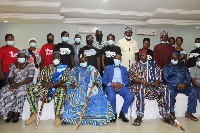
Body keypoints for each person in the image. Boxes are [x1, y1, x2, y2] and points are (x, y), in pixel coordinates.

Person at [61, 54, 114, 125]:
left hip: (91, 87)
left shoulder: (93, 69)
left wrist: (95, 83)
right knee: (72, 96)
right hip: (78, 87)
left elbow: (99, 80)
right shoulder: (75, 70)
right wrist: (72, 84)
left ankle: (99, 117)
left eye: (85, 60)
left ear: (87, 60)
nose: (83, 62)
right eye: (81, 61)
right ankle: (69, 118)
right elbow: (70, 80)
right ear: (79, 62)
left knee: (99, 97)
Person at [129, 49, 174, 126]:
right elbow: (132, 79)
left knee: (165, 88)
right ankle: (139, 116)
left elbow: (159, 74)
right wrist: (142, 82)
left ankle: (166, 115)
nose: (144, 57)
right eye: (142, 55)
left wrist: (157, 82)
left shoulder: (153, 65)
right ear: (139, 57)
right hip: (140, 86)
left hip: (152, 87)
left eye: (146, 55)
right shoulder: (134, 65)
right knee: (141, 88)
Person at [25, 51, 70, 127]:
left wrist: (53, 84)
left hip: (57, 87)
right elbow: (42, 80)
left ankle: (57, 116)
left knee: (61, 90)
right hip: (47, 87)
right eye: (54, 57)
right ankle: (34, 113)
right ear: (52, 58)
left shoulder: (65, 68)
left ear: (60, 58)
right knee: (31, 89)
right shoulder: (46, 68)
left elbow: (63, 80)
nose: (55, 59)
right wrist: (45, 84)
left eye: (57, 57)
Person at [0, 49, 35, 123]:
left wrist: (17, 85)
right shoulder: (13, 65)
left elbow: (30, 78)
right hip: (14, 83)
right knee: (5, 90)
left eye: (22, 56)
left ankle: (17, 112)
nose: (20, 58)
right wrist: (12, 84)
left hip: (25, 84)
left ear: (26, 57)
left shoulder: (30, 65)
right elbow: (10, 77)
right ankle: (9, 111)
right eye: (19, 56)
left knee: (20, 91)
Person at [163, 52, 198, 121]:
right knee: (170, 92)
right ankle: (171, 112)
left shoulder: (184, 67)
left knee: (194, 90)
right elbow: (165, 79)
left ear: (179, 58)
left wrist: (185, 84)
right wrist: (176, 85)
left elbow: (188, 78)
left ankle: (189, 112)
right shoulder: (166, 67)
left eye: (176, 58)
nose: (175, 59)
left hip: (183, 87)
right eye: (173, 58)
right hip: (173, 86)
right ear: (171, 58)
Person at [103, 54, 132, 123]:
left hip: (121, 86)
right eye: (116, 58)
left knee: (129, 96)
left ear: (121, 60)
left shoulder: (124, 69)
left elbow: (127, 81)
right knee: (111, 96)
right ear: (113, 59)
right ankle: (113, 114)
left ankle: (122, 113)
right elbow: (104, 81)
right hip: (111, 86)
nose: (117, 60)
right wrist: (111, 84)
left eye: (119, 59)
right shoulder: (107, 68)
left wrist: (122, 84)